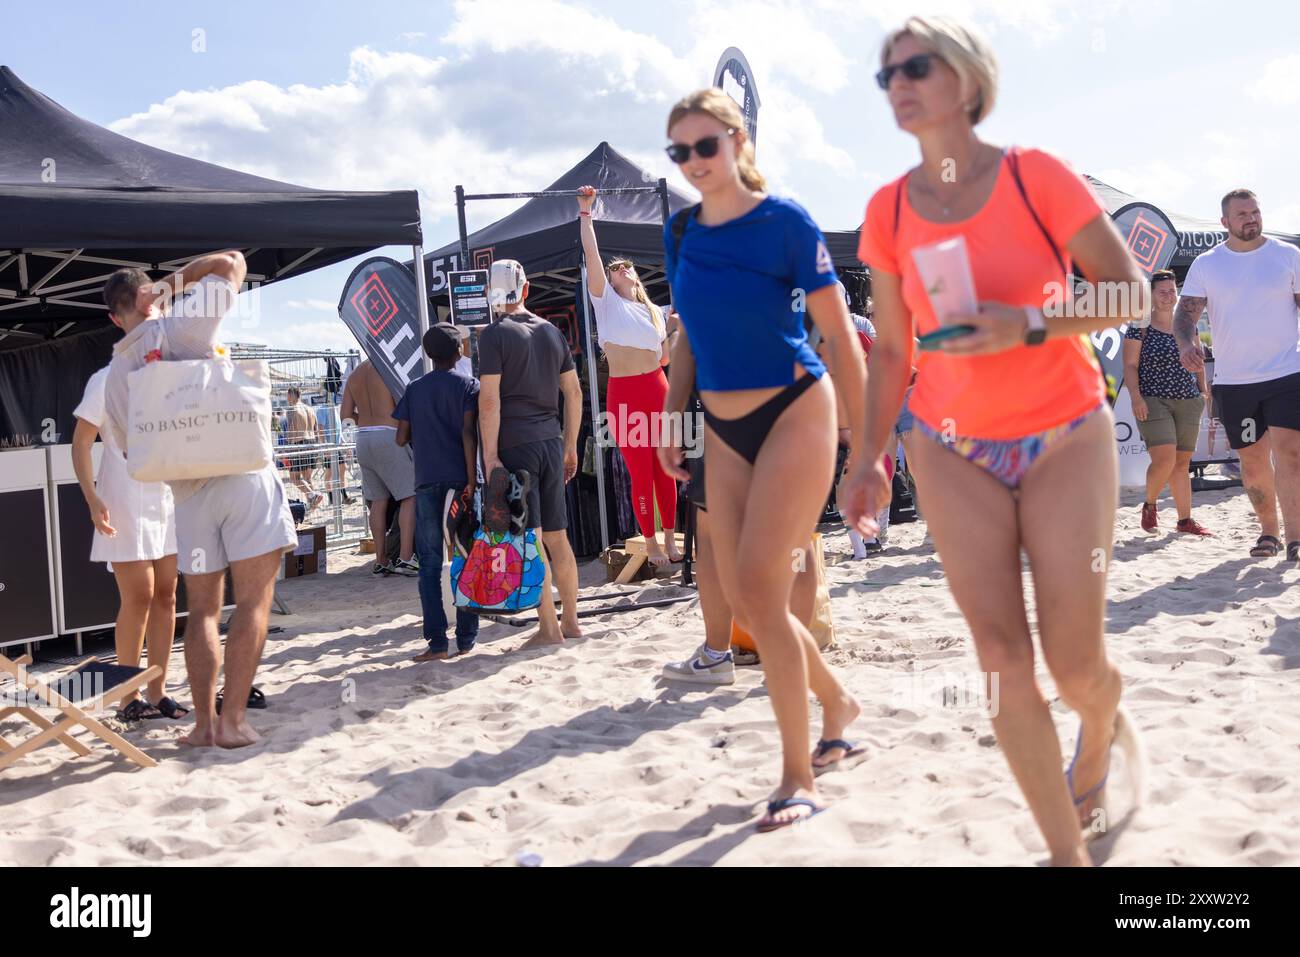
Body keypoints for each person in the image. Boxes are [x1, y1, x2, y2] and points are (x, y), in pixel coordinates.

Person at [848, 17, 1149, 865]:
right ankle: (1067, 853)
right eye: (886, 75)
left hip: (1063, 431)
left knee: (1076, 663)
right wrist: (868, 455)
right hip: (949, 445)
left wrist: (1028, 323)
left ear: (970, 79)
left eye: (916, 65)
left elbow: (1127, 295)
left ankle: (1101, 721)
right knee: (1002, 659)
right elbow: (894, 352)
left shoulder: (1035, 175)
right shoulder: (888, 209)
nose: (898, 82)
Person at [658, 88, 868, 832]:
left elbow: (841, 335)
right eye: (678, 151)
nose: (692, 162)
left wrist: (866, 447)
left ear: (738, 140)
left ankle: (796, 772)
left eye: (704, 146)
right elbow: (688, 335)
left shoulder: (786, 221)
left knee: (761, 584)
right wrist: (672, 419)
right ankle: (837, 700)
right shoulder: (679, 230)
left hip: (796, 408)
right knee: (751, 601)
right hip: (719, 420)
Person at [102, 251, 297, 749]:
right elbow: (233, 262)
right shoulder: (180, 329)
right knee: (253, 601)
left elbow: (129, 448)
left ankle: (203, 725)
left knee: (204, 609)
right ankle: (233, 721)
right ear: (148, 297)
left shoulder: (116, 375)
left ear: (112, 316)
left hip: (186, 496)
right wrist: (174, 284)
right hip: (242, 475)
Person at [1173, 188, 1300, 561]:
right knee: (1253, 461)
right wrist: (1185, 345)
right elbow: (1185, 315)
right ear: (1225, 222)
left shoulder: (1287, 255)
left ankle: (1296, 538)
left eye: (1255, 212)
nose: (1251, 218)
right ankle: (1269, 533)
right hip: (1234, 381)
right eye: (1242, 214)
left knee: (1291, 454)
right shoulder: (1208, 264)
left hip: (1287, 373)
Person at [478, 259, 583, 649]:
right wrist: (569, 445)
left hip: (516, 442)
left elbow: (490, 400)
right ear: (526, 289)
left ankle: (549, 628)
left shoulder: (494, 335)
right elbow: (574, 393)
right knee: (559, 536)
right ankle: (571, 621)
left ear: (491, 293)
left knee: (533, 538)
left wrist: (490, 457)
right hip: (551, 441)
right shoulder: (552, 332)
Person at [71, 367, 185, 721]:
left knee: (168, 594)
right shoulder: (105, 379)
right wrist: (91, 498)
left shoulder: (172, 378)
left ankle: (158, 690)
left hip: (167, 495)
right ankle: (127, 696)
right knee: (140, 595)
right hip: (123, 498)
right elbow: (81, 442)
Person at [577, 185, 682, 567]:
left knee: (665, 468)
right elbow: (592, 254)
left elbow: (665, 358)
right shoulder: (607, 304)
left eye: (626, 267)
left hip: (657, 387)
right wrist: (586, 214)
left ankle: (670, 538)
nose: (622, 270)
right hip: (625, 392)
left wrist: (672, 329)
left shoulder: (654, 310)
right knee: (640, 471)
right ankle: (651, 542)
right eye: (615, 269)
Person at [395, 324, 481, 662]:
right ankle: (467, 639)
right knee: (464, 557)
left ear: (428, 355)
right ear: (458, 351)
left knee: (429, 564)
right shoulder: (468, 385)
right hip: (460, 480)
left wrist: (423, 434)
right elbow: (468, 434)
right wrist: (472, 481)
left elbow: (400, 437)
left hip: (427, 480)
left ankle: (436, 644)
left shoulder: (414, 389)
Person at [1125, 269, 1212, 536]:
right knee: (1164, 460)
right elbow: (1130, 365)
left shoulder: (1187, 326)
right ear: (1151, 295)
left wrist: (1203, 392)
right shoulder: (1140, 325)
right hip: (1153, 399)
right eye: (1162, 291)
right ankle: (1150, 505)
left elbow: (1198, 359)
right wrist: (1136, 397)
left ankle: (1185, 520)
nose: (1168, 296)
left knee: (1182, 464)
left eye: (1172, 291)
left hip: (1188, 399)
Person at [341, 359, 418, 575]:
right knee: (410, 495)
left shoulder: (355, 374)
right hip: (389, 434)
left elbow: (345, 415)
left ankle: (381, 559)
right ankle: (405, 557)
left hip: (363, 437)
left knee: (378, 500)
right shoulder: (387, 366)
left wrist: (366, 417)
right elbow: (402, 406)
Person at [284, 386, 323, 511]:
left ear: (292, 395)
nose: (287, 398)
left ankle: (313, 495)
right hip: (311, 442)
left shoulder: (292, 409)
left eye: (287, 395)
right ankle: (313, 508)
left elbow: (291, 430)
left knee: (294, 478)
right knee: (307, 478)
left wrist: (288, 447)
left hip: (298, 442)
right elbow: (316, 430)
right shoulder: (310, 409)